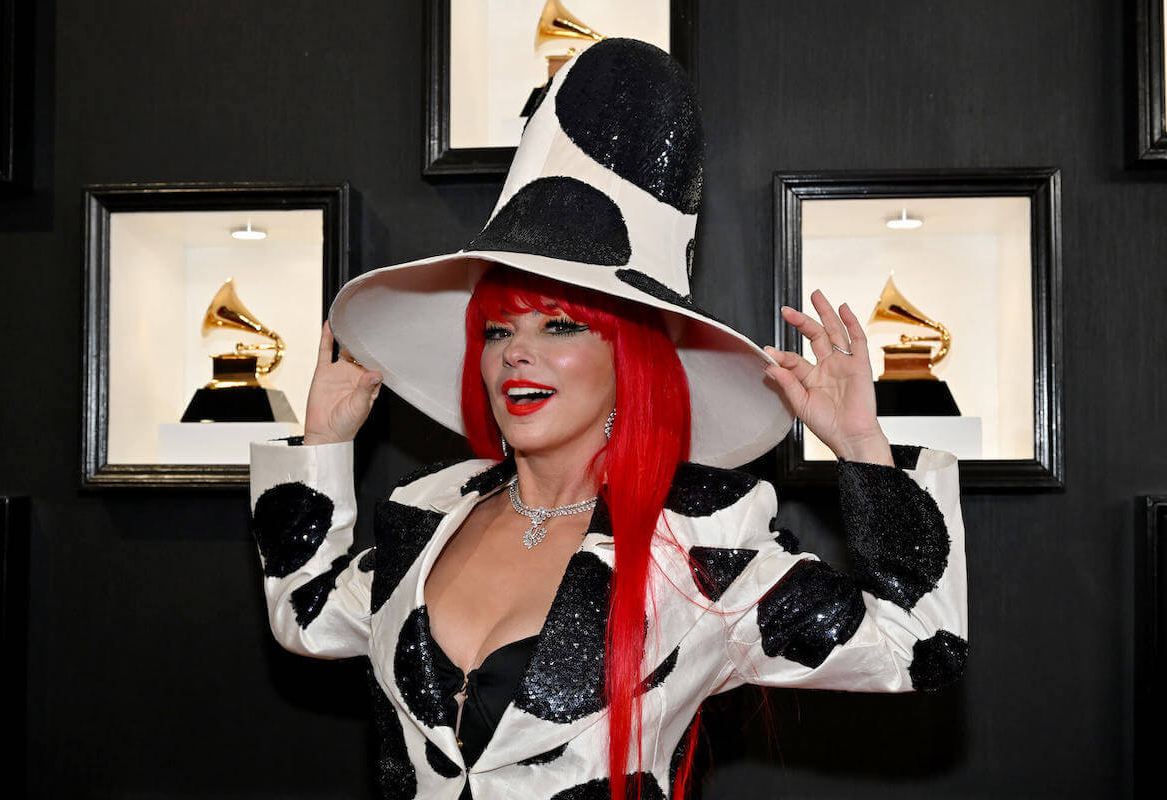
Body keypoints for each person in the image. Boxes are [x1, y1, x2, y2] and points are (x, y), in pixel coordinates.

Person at [249, 39, 966, 800]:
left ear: (631, 361)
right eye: (499, 330)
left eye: (559, 326)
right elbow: (308, 618)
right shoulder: (426, 513)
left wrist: (860, 445)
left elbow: (915, 648)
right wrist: (323, 444)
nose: (515, 356)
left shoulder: (700, 548)